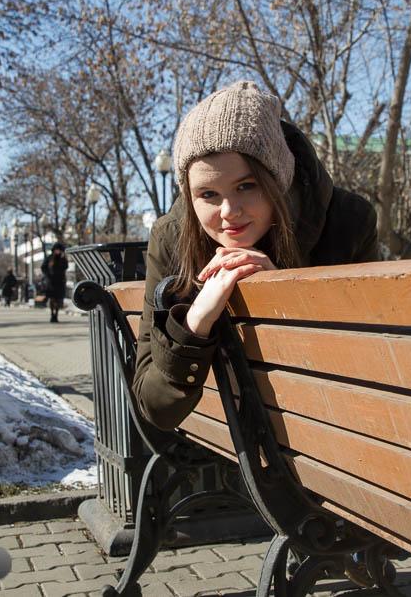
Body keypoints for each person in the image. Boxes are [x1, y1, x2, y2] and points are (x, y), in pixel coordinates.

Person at [133, 80, 378, 432]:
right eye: (208, 194)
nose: (229, 211)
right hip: (231, 449)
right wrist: (195, 322)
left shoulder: (347, 221)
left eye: (247, 186)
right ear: (190, 195)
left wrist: (281, 295)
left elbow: (372, 370)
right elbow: (156, 410)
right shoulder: (173, 236)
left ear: (278, 179)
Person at [40, 242, 69, 322]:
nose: (58, 251)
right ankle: (52, 314)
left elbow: (66, 267)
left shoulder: (62, 259)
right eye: (57, 250)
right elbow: (43, 267)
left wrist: (63, 258)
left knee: (58, 299)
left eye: (59, 250)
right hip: (51, 282)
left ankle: (56, 314)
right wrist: (47, 275)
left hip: (60, 282)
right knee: (52, 299)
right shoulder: (49, 258)